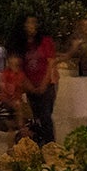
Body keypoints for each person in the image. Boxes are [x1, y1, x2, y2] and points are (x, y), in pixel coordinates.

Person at [7, 14, 58, 145]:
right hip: (30, 84)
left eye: (33, 23)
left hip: (47, 83)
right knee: (36, 116)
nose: (31, 26)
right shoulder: (22, 45)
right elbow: (19, 67)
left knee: (46, 115)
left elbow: (50, 63)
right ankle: (39, 141)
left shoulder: (45, 41)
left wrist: (43, 85)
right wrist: (29, 85)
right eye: (28, 23)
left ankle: (50, 144)